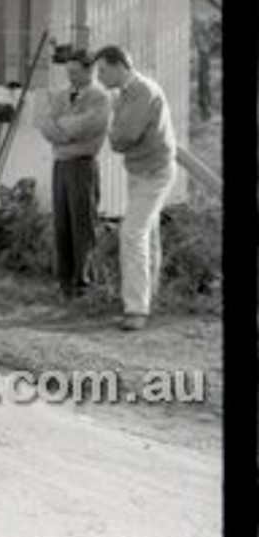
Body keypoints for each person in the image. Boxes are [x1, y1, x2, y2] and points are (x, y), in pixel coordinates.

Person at [93, 45, 177, 331]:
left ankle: (136, 310)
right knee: (146, 236)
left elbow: (122, 137)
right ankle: (149, 299)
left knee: (132, 233)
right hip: (140, 170)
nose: (99, 77)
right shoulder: (124, 94)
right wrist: (116, 133)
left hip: (155, 172)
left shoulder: (142, 91)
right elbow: (120, 135)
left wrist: (115, 133)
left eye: (102, 70)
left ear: (119, 67)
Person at [35, 48, 111, 299]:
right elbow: (44, 124)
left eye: (76, 72)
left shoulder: (100, 97)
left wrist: (62, 128)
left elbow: (87, 126)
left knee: (82, 223)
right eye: (68, 72)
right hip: (60, 165)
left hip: (82, 164)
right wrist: (65, 131)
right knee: (62, 222)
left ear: (90, 70)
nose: (71, 77)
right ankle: (64, 281)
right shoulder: (60, 95)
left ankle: (83, 281)